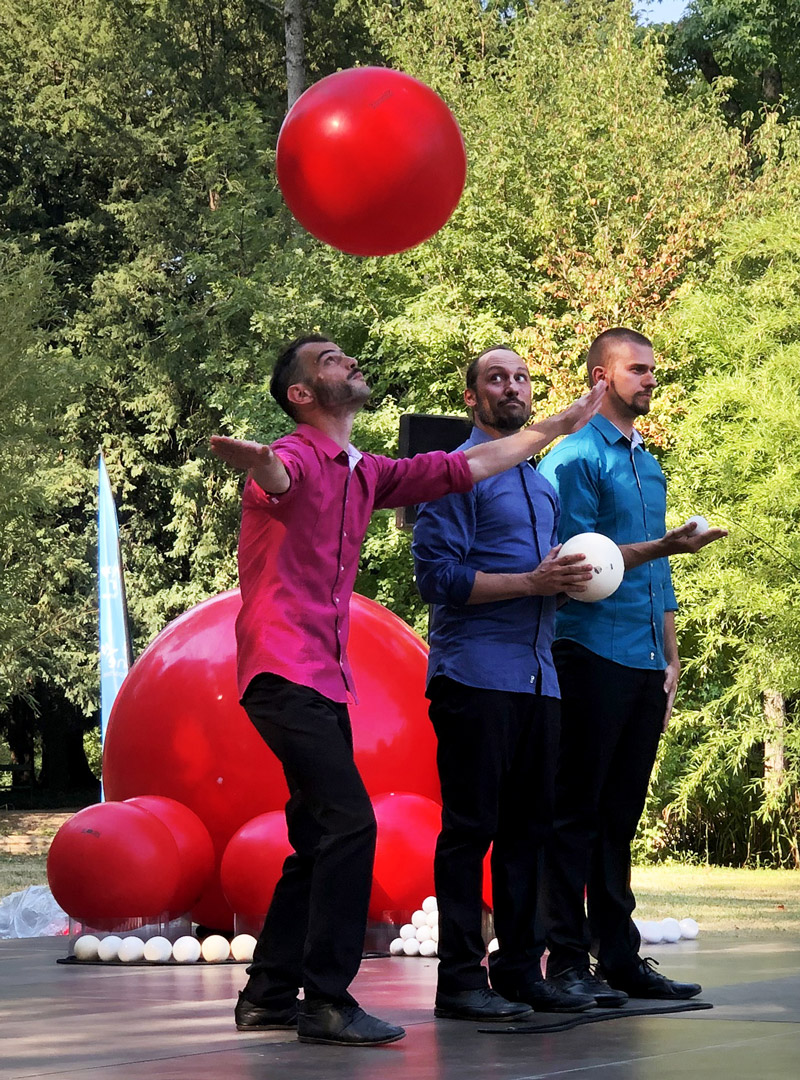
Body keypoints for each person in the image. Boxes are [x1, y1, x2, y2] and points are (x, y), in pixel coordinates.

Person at [209, 333, 606, 1046]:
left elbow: (476, 461)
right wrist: (263, 464)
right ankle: (326, 1000)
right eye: (328, 361)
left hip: (323, 677)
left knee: (316, 836)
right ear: (302, 395)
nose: (348, 361)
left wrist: (565, 421)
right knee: (351, 824)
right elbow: (278, 478)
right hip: (280, 670)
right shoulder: (297, 454)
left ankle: (268, 993)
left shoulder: (370, 472)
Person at [537, 328, 726, 1006]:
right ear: (600, 376)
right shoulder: (574, 457)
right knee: (575, 813)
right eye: (637, 369)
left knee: (620, 814)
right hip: (587, 650)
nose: (650, 380)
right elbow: (585, 562)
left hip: (644, 658)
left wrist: (671, 659)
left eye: (653, 370)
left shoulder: (649, 465)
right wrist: (667, 545)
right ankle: (565, 961)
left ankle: (619, 957)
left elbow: (660, 573)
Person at [412, 346, 600, 1022]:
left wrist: (570, 582)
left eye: (521, 378)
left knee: (530, 833)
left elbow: (542, 586)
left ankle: (521, 971)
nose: (512, 387)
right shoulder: (455, 478)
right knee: (470, 831)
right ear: (472, 397)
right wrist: (531, 582)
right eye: (496, 378)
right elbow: (437, 579)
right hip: (475, 678)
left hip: (540, 682)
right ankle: (461, 983)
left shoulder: (543, 489)